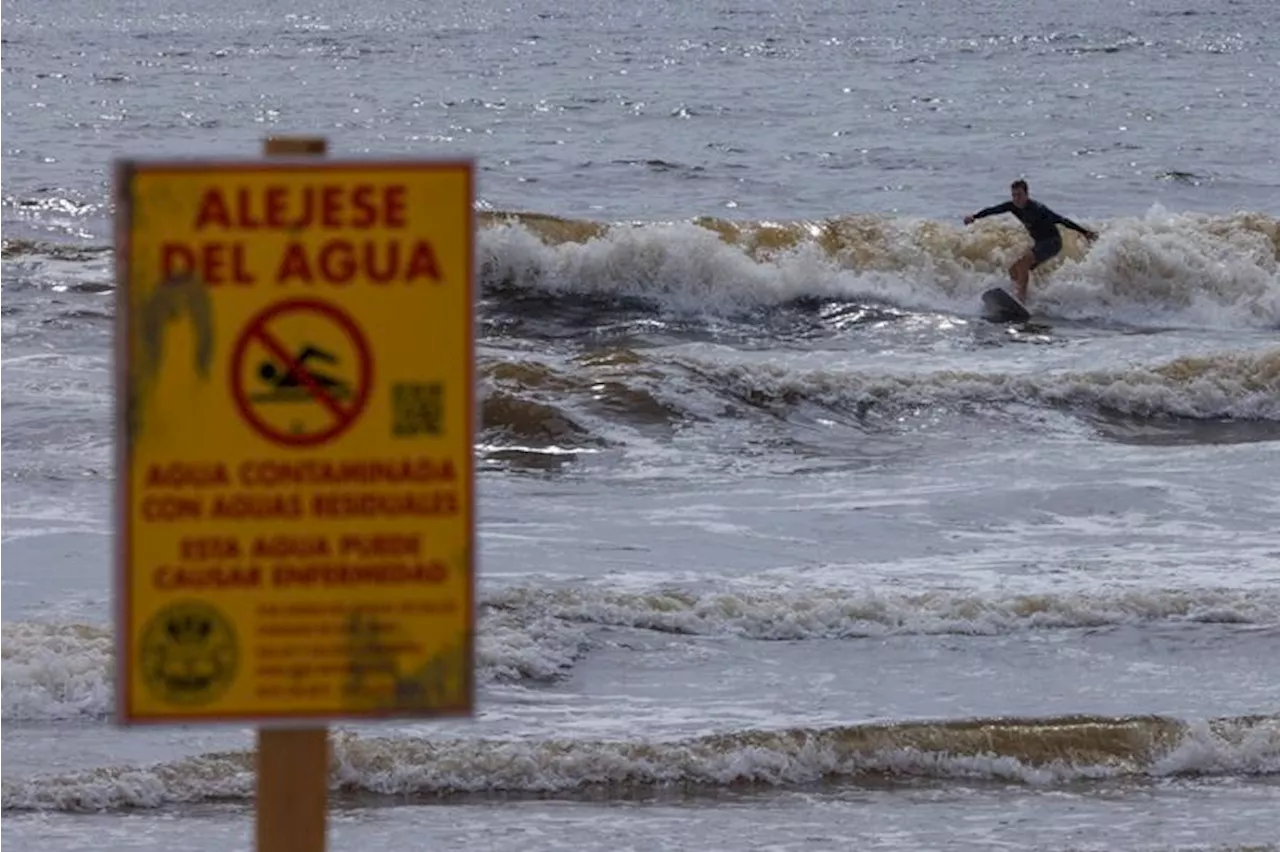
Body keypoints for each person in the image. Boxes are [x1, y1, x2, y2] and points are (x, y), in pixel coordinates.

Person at [963, 179, 1098, 304]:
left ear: (1027, 194)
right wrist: (975, 216)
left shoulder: (1038, 209)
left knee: (1023, 264)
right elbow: (993, 210)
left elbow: (1062, 220)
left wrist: (1085, 232)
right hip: (1040, 244)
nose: (1016, 199)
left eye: (1019, 195)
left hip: (1053, 242)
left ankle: (1021, 299)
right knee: (1013, 270)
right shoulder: (1012, 206)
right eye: (1014, 195)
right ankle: (1019, 296)